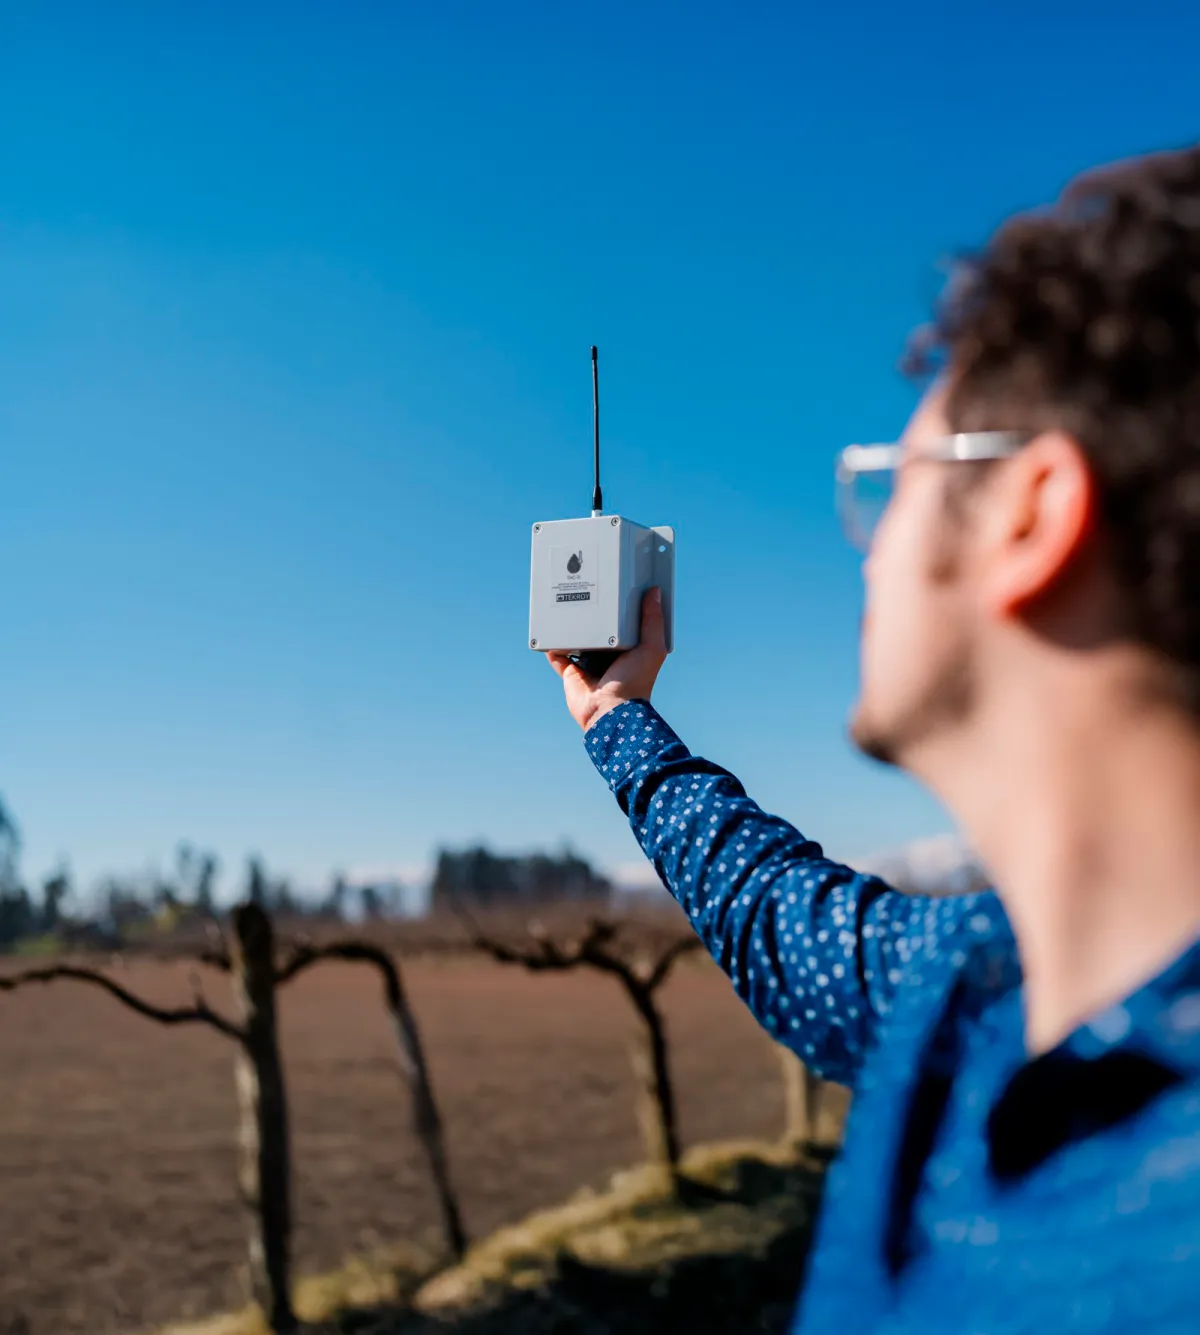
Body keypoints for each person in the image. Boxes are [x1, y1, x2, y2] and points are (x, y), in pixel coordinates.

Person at [545, 145, 1200, 1333]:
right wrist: (619, 720)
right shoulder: (974, 979)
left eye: (894, 481)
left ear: (1030, 516)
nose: (872, 543)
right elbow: (782, 919)